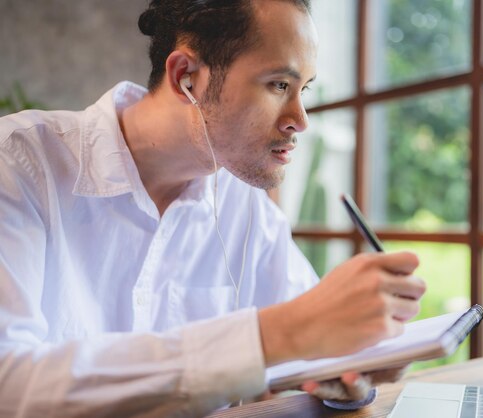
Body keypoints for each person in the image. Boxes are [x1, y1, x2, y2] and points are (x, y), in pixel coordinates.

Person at [0, 0, 426, 416]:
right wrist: (279, 334)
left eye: (304, 89)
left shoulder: (246, 209)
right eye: (279, 84)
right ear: (187, 76)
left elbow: (315, 350)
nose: (300, 118)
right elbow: (9, 383)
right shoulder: (18, 163)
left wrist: (352, 362)